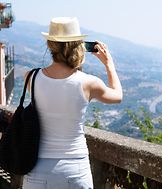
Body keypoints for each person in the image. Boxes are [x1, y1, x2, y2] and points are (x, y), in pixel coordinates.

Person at [22, 17, 123, 189]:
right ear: (79, 45)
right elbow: (117, 96)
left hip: (37, 168)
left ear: (50, 45)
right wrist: (109, 64)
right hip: (75, 170)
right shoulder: (89, 83)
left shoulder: (31, 77)